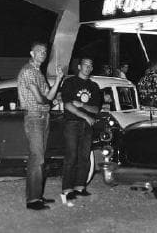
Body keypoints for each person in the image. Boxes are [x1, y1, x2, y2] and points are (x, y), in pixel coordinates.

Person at [17, 41, 64, 210]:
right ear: (32, 53)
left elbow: (50, 96)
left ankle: (37, 196)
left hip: (44, 117)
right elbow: (42, 99)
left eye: (45, 52)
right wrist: (49, 99)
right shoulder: (28, 71)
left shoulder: (39, 73)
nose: (43, 54)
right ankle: (32, 201)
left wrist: (59, 79)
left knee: (40, 158)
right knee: (37, 158)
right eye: (40, 51)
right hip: (35, 117)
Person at [60, 57, 101, 202]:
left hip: (87, 126)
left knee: (84, 157)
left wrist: (82, 106)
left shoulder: (94, 86)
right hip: (72, 123)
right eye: (85, 65)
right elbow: (68, 105)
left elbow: (95, 109)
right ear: (79, 66)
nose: (88, 68)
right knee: (71, 156)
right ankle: (67, 189)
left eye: (91, 66)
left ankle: (79, 186)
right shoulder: (69, 82)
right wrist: (85, 116)